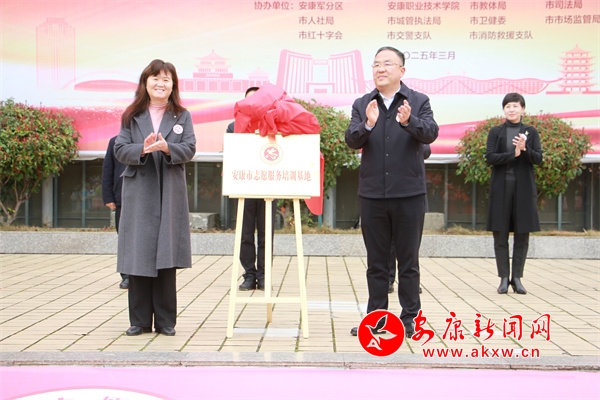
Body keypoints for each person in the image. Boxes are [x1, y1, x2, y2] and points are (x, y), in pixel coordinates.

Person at [345, 46, 438, 338]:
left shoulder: (418, 101)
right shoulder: (363, 103)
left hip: (409, 194)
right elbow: (351, 140)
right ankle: (377, 319)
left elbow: (431, 133)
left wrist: (409, 121)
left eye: (387, 64)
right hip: (372, 195)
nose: (380, 69)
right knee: (376, 263)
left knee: (408, 262)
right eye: (376, 65)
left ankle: (410, 318)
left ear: (401, 70)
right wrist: (368, 124)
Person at [114, 59, 196, 336]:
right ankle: (139, 321)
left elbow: (190, 148)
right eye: (155, 79)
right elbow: (120, 149)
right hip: (139, 189)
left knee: (165, 254)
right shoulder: (131, 115)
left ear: (173, 85)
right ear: (145, 82)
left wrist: (167, 147)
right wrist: (143, 148)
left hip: (170, 189)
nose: (160, 84)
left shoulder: (182, 115)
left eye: (166, 80)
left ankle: (165, 321)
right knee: (139, 253)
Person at [486, 93, 542, 295]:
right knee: (500, 234)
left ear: (522, 109)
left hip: (523, 189)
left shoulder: (530, 132)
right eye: (508, 106)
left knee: (522, 234)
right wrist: (513, 154)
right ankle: (503, 278)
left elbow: (538, 159)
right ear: (504, 109)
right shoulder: (496, 132)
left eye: (515, 106)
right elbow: (490, 157)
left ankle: (517, 278)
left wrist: (525, 149)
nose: (511, 109)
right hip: (501, 188)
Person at [227, 86, 276, 291]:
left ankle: (264, 276)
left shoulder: (275, 124)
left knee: (266, 233)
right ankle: (249, 275)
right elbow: (232, 154)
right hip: (244, 186)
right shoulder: (233, 127)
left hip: (269, 186)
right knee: (245, 234)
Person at [388, 143, 431, 294]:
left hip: (412, 194)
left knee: (411, 246)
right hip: (387, 193)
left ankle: (410, 282)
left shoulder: (415, 130)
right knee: (389, 244)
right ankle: (388, 279)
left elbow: (426, 151)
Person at [102, 135, 128, 289]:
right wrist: (108, 197)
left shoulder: (150, 140)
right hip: (121, 199)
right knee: (124, 239)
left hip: (145, 200)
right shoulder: (116, 141)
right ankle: (127, 276)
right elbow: (108, 170)